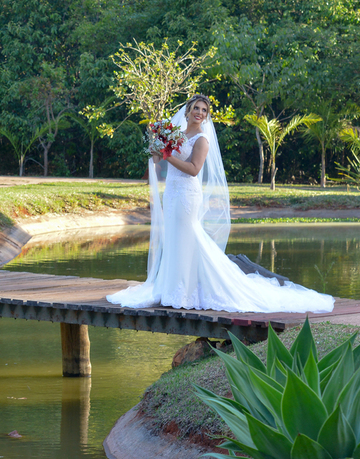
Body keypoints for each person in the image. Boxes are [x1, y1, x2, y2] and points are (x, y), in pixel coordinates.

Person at [106, 95, 334, 314]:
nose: (199, 112)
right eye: (196, 108)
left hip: (187, 194)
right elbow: (159, 162)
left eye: (204, 110)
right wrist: (157, 150)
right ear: (188, 110)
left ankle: (186, 293)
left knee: (189, 237)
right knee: (174, 238)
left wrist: (167, 155)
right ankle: (171, 290)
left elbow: (194, 169)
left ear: (206, 116)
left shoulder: (202, 140)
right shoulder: (175, 135)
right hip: (172, 193)